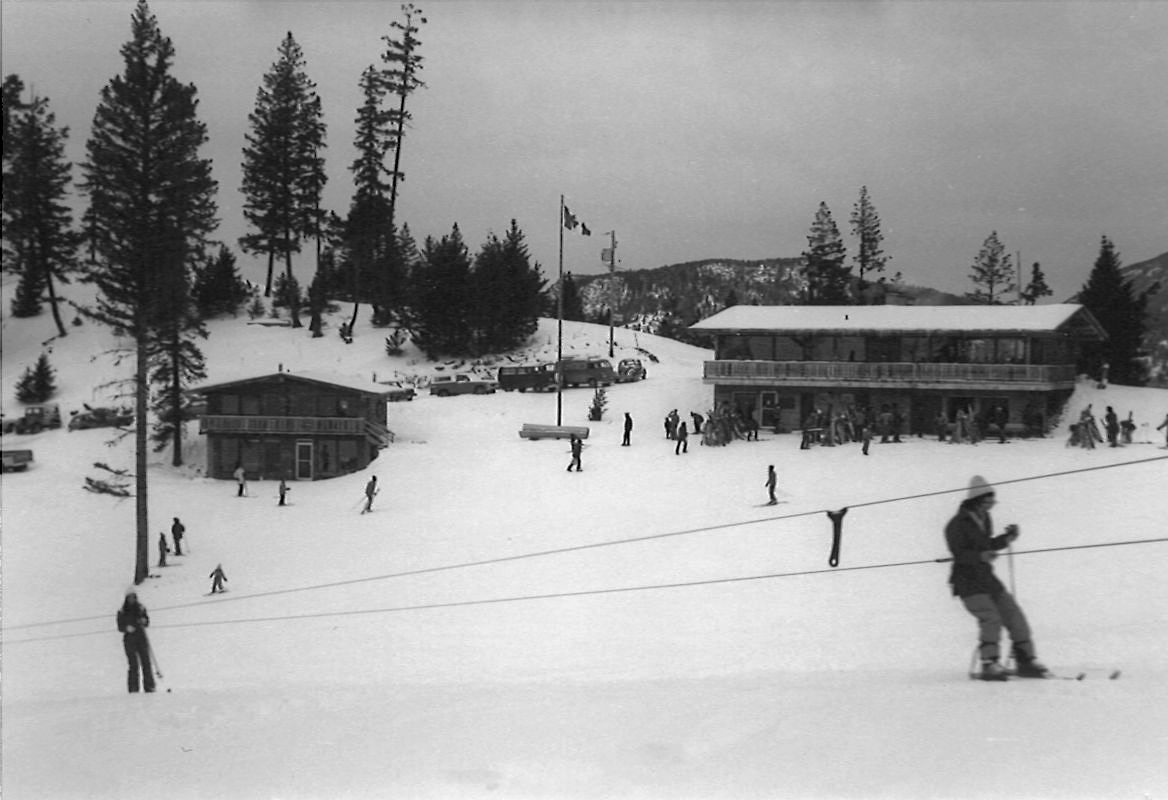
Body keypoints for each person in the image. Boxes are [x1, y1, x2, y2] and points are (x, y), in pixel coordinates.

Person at [945, 476, 1048, 681]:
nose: (990, 507)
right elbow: (960, 554)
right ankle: (989, 663)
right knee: (991, 617)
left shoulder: (985, 519)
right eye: (987, 502)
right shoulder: (957, 524)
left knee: (1014, 615)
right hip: (967, 581)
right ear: (976, 500)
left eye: (992, 503)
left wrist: (1006, 539)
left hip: (986, 577)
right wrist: (980, 556)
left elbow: (986, 546)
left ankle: (1026, 660)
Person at [116, 588, 155, 693]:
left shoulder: (141, 608)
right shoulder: (122, 611)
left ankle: (150, 687)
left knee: (146, 663)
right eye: (130, 597)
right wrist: (127, 628)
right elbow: (120, 626)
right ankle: (133, 689)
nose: (132, 599)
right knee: (133, 665)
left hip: (141, 638)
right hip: (129, 640)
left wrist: (144, 621)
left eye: (133, 597)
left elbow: (147, 622)